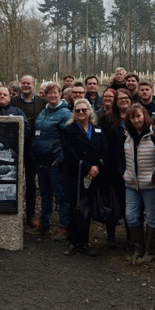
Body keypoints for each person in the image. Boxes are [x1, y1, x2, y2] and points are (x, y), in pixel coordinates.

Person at [119, 104, 155, 264]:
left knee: (152, 218)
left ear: (144, 116)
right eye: (132, 117)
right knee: (131, 216)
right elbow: (120, 158)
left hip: (152, 185)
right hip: (131, 184)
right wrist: (124, 174)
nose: (136, 120)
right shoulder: (126, 134)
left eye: (138, 116)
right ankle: (138, 248)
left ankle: (149, 252)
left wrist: (154, 177)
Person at [61, 98, 108, 256]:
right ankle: (73, 242)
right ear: (74, 113)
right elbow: (70, 154)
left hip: (93, 176)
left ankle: (85, 242)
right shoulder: (68, 130)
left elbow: (104, 151)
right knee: (75, 209)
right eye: (78, 110)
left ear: (90, 112)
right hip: (76, 175)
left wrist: (97, 167)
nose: (81, 113)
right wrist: (88, 167)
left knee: (87, 210)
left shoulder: (98, 130)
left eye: (84, 110)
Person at [28, 82, 72, 239]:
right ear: (45, 95)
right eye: (49, 93)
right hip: (41, 161)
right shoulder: (44, 111)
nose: (52, 96)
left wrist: (60, 159)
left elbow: (69, 139)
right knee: (45, 194)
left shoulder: (65, 113)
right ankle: (44, 224)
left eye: (55, 93)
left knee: (61, 195)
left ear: (60, 94)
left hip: (55, 162)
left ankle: (64, 227)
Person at [98, 88, 133, 248]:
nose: (124, 101)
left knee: (130, 203)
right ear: (115, 102)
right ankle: (110, 236)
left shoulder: (137, 117)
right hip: (112, 167)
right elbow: (102, 142)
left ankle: (131, 236)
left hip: (132, 166)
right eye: (120, 99)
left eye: (126, 98)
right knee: (112, 202)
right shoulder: (106, 119)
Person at [11, 75, 47, 229]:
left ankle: (31, 214)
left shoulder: (42, 102)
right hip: (15, 148)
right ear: (20, 84)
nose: (26, 85)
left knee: (32, 183)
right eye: (23, 83)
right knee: (11, 180)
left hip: (34, 148)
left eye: (29, 83)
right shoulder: (12, 102)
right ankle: (12, 212)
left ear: (34, 84)